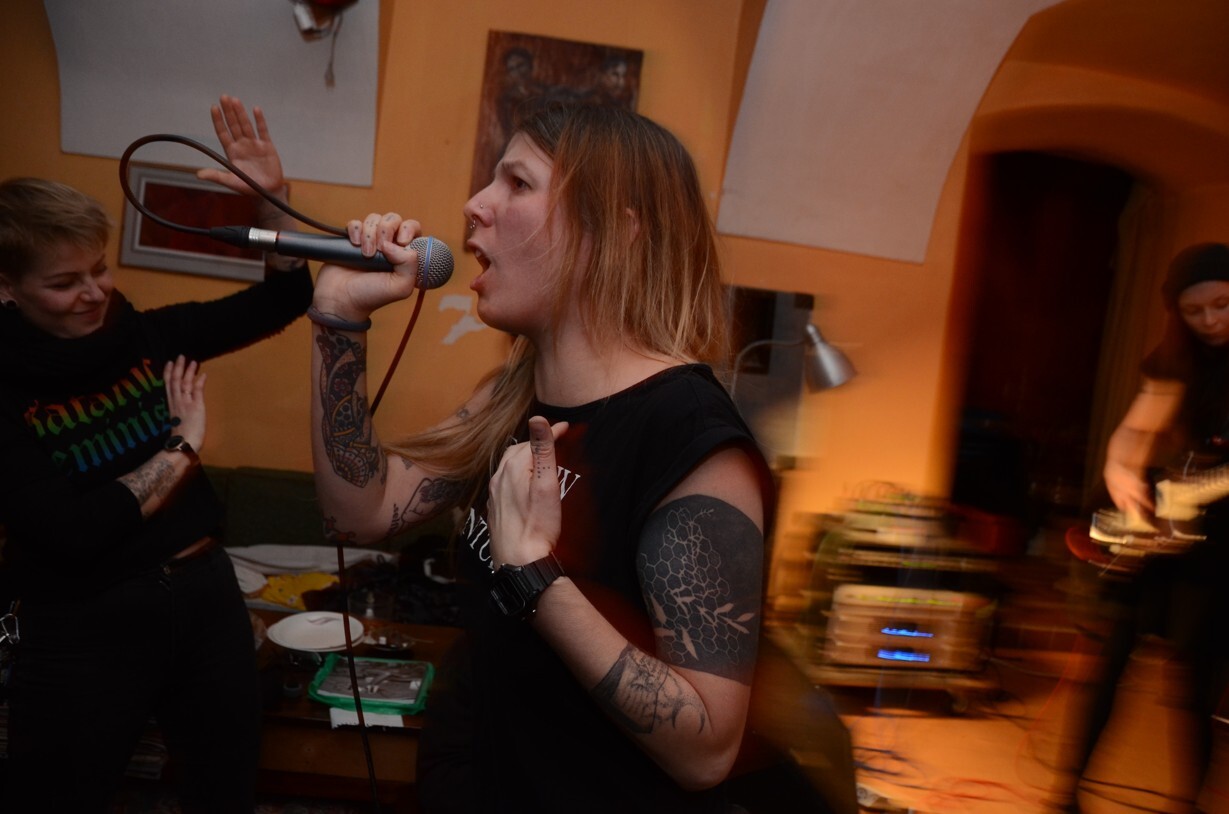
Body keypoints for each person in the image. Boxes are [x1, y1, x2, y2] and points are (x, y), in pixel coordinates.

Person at [307, 102, 773, 813]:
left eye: (517, 183)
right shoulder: (511, 396)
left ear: (610, 232)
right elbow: (359, 513)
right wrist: (339, 319)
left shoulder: (688, 436)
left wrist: (534, 579)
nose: (475, 204)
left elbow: (705, 750)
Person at [0, 95, 312, 813]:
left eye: (100, 269)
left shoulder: (137, 334)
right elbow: (72, 531)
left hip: (203, 596)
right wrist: (181, 448)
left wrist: (272, 204)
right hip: (82, 621)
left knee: (224, 792)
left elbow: (283, 299)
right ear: (6, 288)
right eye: (64, 283)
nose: (94, 293)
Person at [1081, 242, 1229, 804]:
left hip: (1220, 547)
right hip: (1170, 523)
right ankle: (1064, 795)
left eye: (1222, 305)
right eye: (1194, 311)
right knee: (1111, 664)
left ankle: (1188, 802)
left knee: (1196, 684)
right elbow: (1133, 432)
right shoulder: (1177, 359)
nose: (1209, 321)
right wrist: (1119, 471)